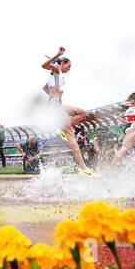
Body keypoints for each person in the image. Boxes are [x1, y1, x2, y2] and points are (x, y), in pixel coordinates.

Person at [42, 46, 94, 176]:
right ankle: (83, 169)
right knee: (71, 134)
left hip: (57, 104)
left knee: (82, 113)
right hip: (55, 105)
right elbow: (44, 65)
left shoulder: (56, 75)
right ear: (62, 63)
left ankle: (62, 128)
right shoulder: (57, 69)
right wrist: (57, 55)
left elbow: (44, 88)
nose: (69, 69)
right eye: (68, 66)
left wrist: (54, 92)